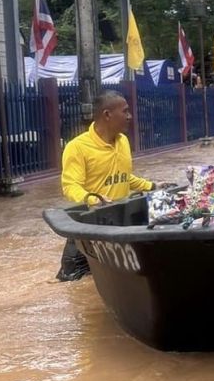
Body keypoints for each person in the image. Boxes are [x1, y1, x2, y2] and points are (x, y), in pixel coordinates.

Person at [56, 90, 156, 281]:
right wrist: (93, 199)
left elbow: (123, 177)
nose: (130, 116)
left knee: (122, 280)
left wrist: (151, 186)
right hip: (89, 228)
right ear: (107, 115)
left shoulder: (123, 141)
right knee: (73, 285)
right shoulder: (77, 147)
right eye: (125, 111)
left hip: (120, 225)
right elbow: (70, 186)